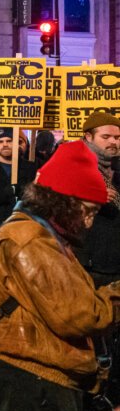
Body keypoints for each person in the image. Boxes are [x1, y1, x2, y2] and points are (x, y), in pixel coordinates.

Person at [0, 140, 120, 411]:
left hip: (40, 376)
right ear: (63, 202)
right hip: (37, 381)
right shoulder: (31, 240)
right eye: (86, 211)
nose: (89, 222)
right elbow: (79, 315)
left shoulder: (43, 234)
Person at [75, 112, 120, 286]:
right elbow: (52, 207)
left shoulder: (116, 166)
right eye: (106, 137)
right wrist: (88, 198)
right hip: (88, 263)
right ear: (88, 136)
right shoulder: (74, 165)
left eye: (117, 137)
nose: (113, 142)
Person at [0, 127, 38, 227]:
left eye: (9, 141)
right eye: (0, 141)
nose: (5, 144)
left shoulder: (30, 169)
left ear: (16, 143)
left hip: (23, 224)